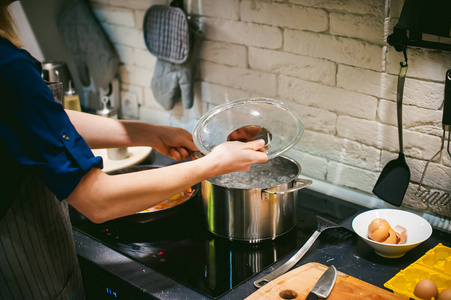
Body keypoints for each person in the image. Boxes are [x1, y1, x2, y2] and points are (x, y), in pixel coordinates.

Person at [0, 1, 268, 299]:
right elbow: (97, 201)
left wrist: (151, 133)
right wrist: (213, 164)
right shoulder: (7, 66)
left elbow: (41, 121)